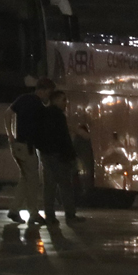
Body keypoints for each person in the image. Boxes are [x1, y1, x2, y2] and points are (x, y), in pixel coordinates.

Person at [4, 77, 55, 225]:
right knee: (32, 181)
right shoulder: (38, 106)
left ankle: (14, 210)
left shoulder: (23, 98)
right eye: (49, 93)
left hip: (18, 145)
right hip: (28, 147)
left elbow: (7, 114)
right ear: (43, 90)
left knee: (26, 178)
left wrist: (10, 136)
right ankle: (33, 213)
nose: (48, 96)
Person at [39, 90, 85, 226]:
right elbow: (63, 139)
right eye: (63, 100)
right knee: (65, 186)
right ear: (56, 100)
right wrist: (71, 156)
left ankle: (50, 215)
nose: (66, 103)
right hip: (58, 156)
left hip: (46, 154)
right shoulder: (59, 116)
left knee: (49, 186)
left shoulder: (44, 114)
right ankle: (70, 215)